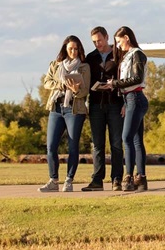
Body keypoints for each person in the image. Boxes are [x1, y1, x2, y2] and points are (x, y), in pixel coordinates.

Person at [39, 35, 90, 192]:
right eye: (70, 49)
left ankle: (69, 180)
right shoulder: (56, 65)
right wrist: (61, 84)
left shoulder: (84, 67)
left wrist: (75, 91)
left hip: (74, 110)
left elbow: (85, 90)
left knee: (73, 146)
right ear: (65, 49)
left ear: (79, 49)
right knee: (51, 146)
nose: (73, 51)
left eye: (76, 49)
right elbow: (47, 82)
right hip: (56, 107)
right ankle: (53, 181)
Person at [100, 26, 149, 192]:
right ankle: (141, 178)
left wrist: (114, 84)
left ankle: (128, 176)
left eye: (119, 41)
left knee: (126, 138)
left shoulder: (137, 54)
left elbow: (137, 78)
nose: (118, 45)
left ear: (127, 38)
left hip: (135, 97)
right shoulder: (128, 55)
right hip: (129, 99)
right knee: (135, 140)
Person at [81, 26, 125, 192]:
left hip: (115, 103)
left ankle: (117, 179)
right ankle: (97, 180)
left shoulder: (119, 54)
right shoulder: (90, 58)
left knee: (116, 143)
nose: (97, 44)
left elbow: (125, 78)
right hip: (95, 105)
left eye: (99, 40)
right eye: (94, 41)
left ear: (107, 37)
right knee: (97, 144)